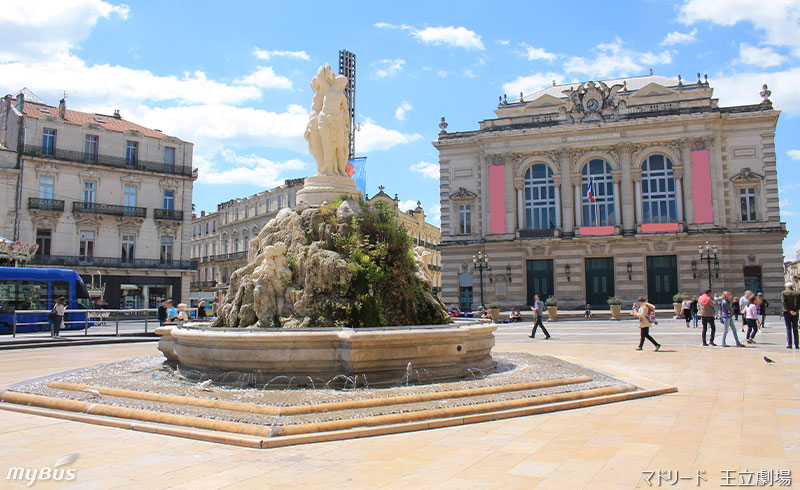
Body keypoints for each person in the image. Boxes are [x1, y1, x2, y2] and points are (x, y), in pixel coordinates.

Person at [781, 282, 799, 349]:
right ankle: (796, 344)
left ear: (786, 287)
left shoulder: (784, 293)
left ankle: (789, 344)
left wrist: (789, 310)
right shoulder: (797, 293)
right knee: (795, 328)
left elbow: (784, 302)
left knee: (788, 328)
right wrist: (795, 310)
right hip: (795, 312)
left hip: (787, 312)